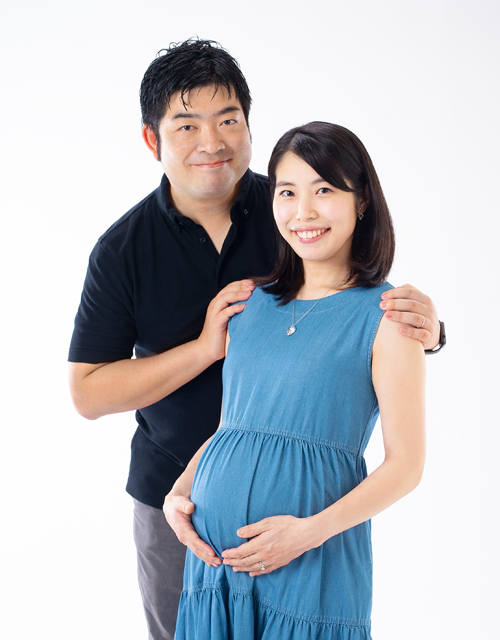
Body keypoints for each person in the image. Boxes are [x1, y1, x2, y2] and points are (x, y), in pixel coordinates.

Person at [68, 40, 442, 640]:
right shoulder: (125, 251)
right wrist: (203, 353)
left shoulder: (290, 209)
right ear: (152, 139)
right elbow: (89, 394)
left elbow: (358, 319)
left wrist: (430, 330)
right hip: (183, 507)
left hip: (307, 532)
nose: (211, 141)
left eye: (228, 120)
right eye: (187, 125)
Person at [164, 121, 426, 640]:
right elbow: (232, 429)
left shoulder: (388, 316)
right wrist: (179, 492)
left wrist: (306, 534)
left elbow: (406, 466)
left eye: (323, 190)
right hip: (215, 570)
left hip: (311, 566)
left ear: (361, 200)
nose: (303, 212)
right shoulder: (248, 305)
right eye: (287, 192)